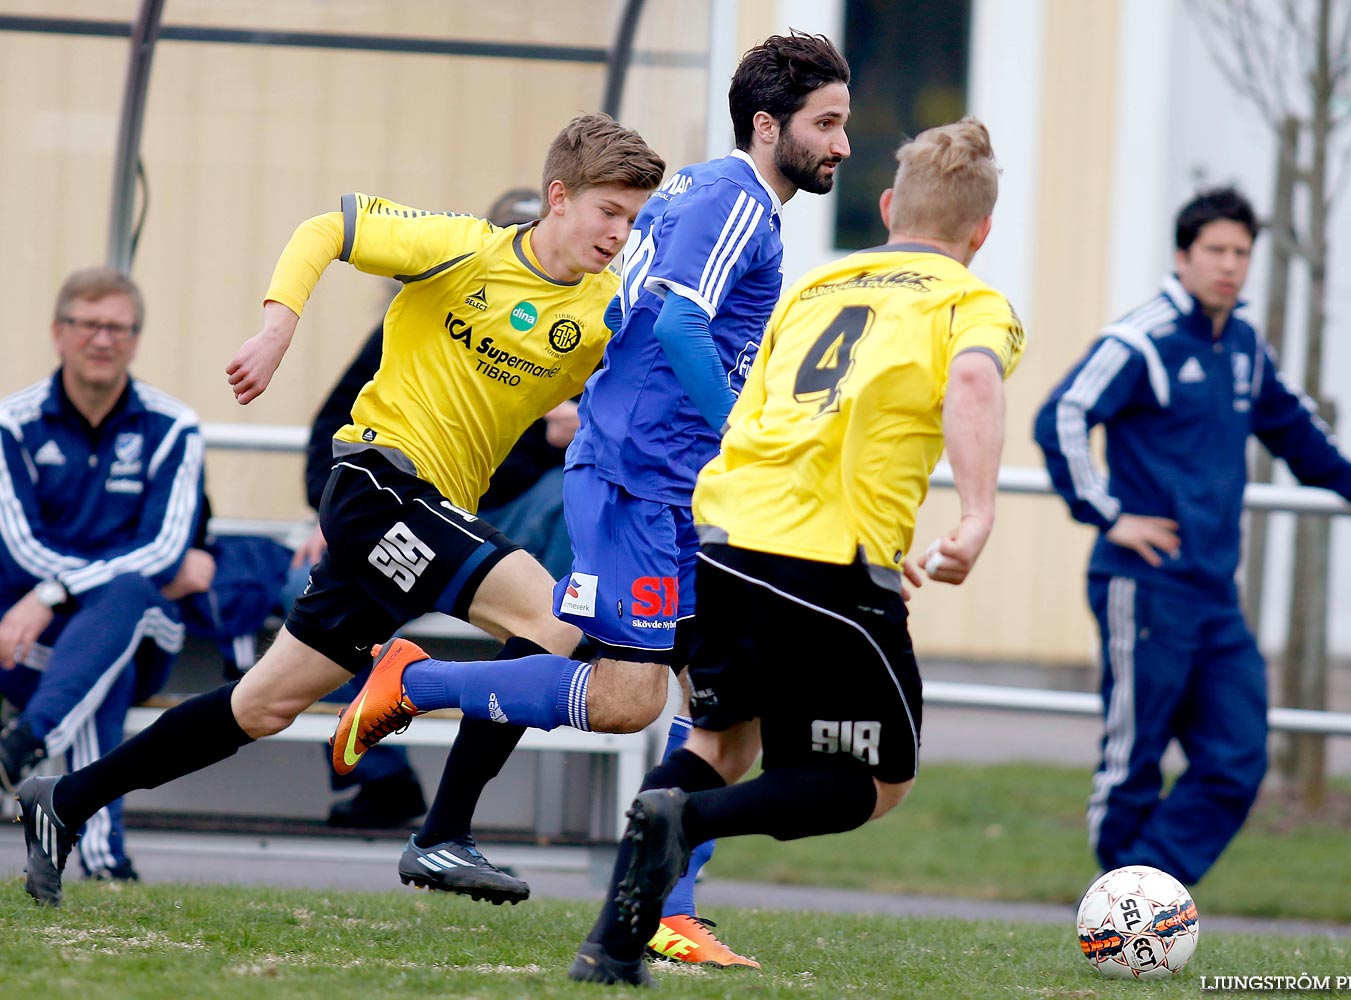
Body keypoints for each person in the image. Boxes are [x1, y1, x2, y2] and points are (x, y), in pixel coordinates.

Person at [14, 113, 666, 907]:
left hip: (426, 514)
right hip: (376, 483)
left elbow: (646, 396)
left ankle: (65, 799)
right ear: (558, 198)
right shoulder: (465, 246)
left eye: (634, 219)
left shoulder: (607, 313)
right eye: (610, 211)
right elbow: (327, 228)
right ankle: (441, 835)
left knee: (263, 705)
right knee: (552, 620)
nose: (621, 233)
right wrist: (275, 331)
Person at [332, 30, 851, 968]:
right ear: (769, 124)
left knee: (725, 705)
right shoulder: (736, 199)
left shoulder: (697, 191)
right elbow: (686, 319)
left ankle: (670, 908)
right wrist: (743, 431)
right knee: (624, 702)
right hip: (643, 487)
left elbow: (623, 311)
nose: (841, 145)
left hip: (671, 486)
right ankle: (413, 681)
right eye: (828, 123)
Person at [562, 116, 1024, 986]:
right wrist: (977, 514)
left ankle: (613, 945)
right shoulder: (970, 301)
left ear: (889, 207)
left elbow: (745, 402)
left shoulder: (816, 287)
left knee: (724, 740)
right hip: (826, 557)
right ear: (982, 233)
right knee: (876, 778)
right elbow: (971, 380)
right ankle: (685, 827)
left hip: (724, 538)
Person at [1033, 187, 1351, 889]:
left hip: (1214, 592)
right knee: (1135, 757)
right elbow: (1062, 415)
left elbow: (1295, 429)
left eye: (1242, 253)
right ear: (1183, 256)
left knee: (1239, 755)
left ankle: (1141, 894)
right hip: (1141, 584)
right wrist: (1107, 513)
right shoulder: (1141, 338)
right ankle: (1122, 907)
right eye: (1216, 250)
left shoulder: (1242, 343)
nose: (1231, 266)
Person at [297, 188, 570, 830]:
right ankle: (396, 784)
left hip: (514, 521)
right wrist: (328, 512)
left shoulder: (579, 320)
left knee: (565, 607)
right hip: (413, 511)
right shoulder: (430, 306)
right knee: (267, 679)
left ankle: (432, 720)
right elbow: (328, 436)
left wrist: (578, 430)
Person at [0, 266, 210, 883]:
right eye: (87, 324)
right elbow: (16, 544)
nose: (102, 339)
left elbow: (166, 547)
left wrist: (55, 589)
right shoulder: (13, 424)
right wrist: (46, 593)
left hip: (143, 628)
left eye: (117, 327)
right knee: (99, 656)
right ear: (58, 333)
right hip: (29, 640)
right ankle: (101, 861)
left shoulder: (173, 425)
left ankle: (30, 737)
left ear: (136, 340)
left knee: (125, 598)